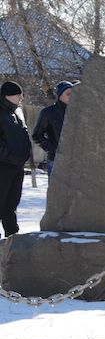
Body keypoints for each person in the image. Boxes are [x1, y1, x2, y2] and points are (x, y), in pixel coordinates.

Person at [0, 81, 31, 239]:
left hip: (17, 167)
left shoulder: (17, 112)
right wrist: (11, 157)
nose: (22, 98)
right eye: (19, 94)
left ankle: (12, 237)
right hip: (3, 167)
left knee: (11, 204)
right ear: (8, 96)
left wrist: (24, 156)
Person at [32, 80, 76, 176]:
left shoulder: (78, 113)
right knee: (56, 190)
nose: (72, 96)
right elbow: (37, 135)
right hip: (55, 160)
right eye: (68, 94)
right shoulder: (48, 113)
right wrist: (53, 148)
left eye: (74, 93)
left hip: (76, 161)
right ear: (60, 95)